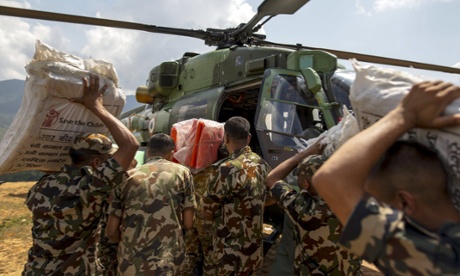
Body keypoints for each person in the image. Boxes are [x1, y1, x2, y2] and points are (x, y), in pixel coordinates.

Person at [313, 81, 460, 275]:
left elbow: (331, 180)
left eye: (379, 205)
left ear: (404, 203)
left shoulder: (442, 260)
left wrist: (405, 114)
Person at [22, 74, 139, 275]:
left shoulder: (42, 185)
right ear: (96, 162)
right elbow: (130, 146)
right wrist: (96, 106)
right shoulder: (90, 188)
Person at [106, 133, 196, 275]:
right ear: (171, 153)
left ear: (148, 152)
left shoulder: (126, 177)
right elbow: (189, 222)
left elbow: (111, 231)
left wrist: (129, 243)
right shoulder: (182, 173)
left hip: (131, 264)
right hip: (168, 261)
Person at [265, 142, 361, 275]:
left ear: (305, 184)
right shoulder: (357, 204)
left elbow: (272, 178)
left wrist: (301, 156)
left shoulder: (303, 208)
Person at [201, 116, 270, 275]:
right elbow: (271, 197)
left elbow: (206, 210)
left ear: (226, 138)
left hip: (230, 253)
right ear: (249, 137)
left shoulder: (226, 169)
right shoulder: (261, 163)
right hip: (253, 250)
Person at [182, 145, 229, 276]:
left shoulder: (199, 171)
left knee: (190, 253)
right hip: (208, 220)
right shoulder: (221, 173)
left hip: (192, 216)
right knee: (210, 256)